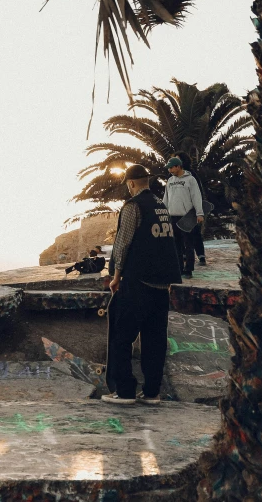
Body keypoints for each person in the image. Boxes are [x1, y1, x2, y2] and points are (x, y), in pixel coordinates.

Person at [103, 164, 182, 406]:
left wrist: (116, 276)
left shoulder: (132, 206)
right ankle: (151, 393)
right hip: (162, 285)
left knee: (121, 336)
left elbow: (123, 243)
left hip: (138, 282)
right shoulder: (161, 205)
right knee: (155, 341)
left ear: (131, 184)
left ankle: (125, 391)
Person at [163, 156, 204, 278]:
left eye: (171, 167)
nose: (169, 170)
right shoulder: (170, 181)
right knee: (176, 244)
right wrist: (164, 212)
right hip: (173, 216)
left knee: (188, 243)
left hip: (187, 216)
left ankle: (189, 269)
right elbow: (166, 198)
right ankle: (179, 268)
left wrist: (199, 213)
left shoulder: (190, 180)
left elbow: (196, 196)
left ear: (178, 166)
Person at [173, 151, 207, 266]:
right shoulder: (173, 177)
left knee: (194, 233)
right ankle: (184, 256)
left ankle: (201, 256)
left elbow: (198, 193)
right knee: (180, 233)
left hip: (191, 209)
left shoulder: (191, 175)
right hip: (177, 210)